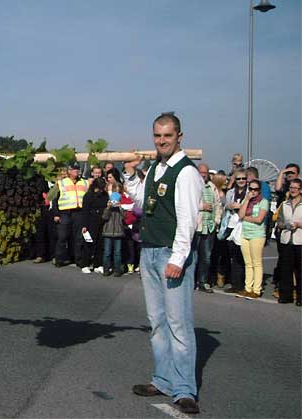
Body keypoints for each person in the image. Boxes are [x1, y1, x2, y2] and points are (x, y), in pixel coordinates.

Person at [124, 112, 204, 415]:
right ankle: (163, 379)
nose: (162, 141)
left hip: (171, 253)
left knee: (178, 324)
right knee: (157, 322)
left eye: (167, 136)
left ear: (179, 136)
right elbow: (144, 202)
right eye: (157, 136)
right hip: (150, 251)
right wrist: (131, 176)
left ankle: (185, 390)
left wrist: (178, 258)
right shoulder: (157, 168)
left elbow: (188, 220)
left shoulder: (186, 172)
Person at [236, 180, 269, 299]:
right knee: (248, 263)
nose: (253, 191)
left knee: (256, 262)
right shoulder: (247, 200)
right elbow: (240, 215)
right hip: (245, 234)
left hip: (257, 235)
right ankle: (247, 288)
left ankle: (256, 289)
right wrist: (247, 200)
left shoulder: (263, 202)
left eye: (255, 189)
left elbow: (259, 219)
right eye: (251, 189)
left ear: (259, 190)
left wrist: (245, 218)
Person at [53, 162, 89, 267]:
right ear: (69, 171)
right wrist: (56, 214)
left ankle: (78, 260)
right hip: (65, 213)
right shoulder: (61, 183)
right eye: (74, 169)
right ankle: (59, 259)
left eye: (78, 169)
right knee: (62, 237)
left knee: (78, 238)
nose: (76, 171)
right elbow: (54, 199)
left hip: (79, 213)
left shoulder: (85, 182)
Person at [194, 163, 222, 293]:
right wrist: (201, 206)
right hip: (196, 227)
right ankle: (191, 281)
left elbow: (218, 205)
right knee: (193, 257)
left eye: (205, 173)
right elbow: (186, 204)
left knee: (206, 257)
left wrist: (217, 220)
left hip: (209, 227)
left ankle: (203, 282)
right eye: (201, 172)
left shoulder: (212, 187)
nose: (203, 175)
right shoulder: (192, 186)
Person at [275, 178, 302, 305]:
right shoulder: (285, 204)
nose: (293, 190)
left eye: (296, 188)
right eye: (291, 187)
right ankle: (286, 295)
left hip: (299, 240)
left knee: (300, 270)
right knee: (286, 269)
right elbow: (279, 221)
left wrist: (299, 225)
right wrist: (284, 225)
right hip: (286, 239)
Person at [81, 176, 108, 274]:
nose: (99, 191)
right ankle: (85, 264)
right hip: (90, 221)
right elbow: (85, 211)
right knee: (89, 243)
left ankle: (98, 264)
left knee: (100, 244)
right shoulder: (88, 196)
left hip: (101, 221)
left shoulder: (105, 195)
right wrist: (84, 225)